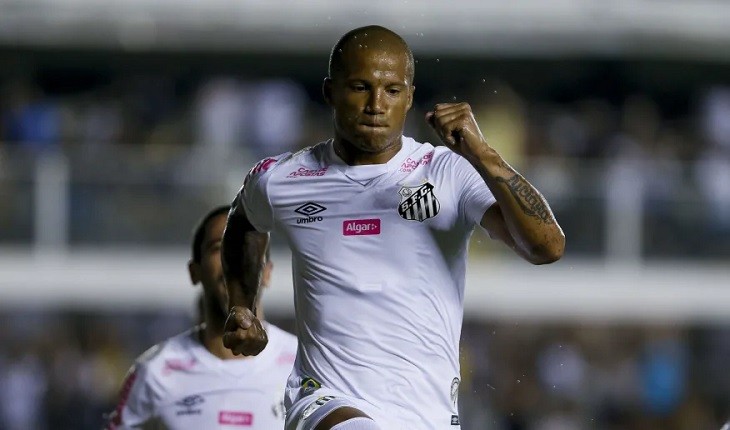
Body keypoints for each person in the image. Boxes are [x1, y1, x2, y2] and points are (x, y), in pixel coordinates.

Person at [221, 25, 565, 430]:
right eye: (360, 88)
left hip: (426, 413)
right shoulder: (283, 178)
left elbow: (547, 247)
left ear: (410, 98)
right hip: (323, 400)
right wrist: (242, 306)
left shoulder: (448, 173)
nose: (376, 105)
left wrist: (483, 154)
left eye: (392, 91)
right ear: (331, 92)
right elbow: (243, 221)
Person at [106, 205, 297, 429]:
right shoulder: (155, 372)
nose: (233, 259)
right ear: (194, 271)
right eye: (218, 248)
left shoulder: (303, 363)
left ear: (267, 272)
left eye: (245, 248)